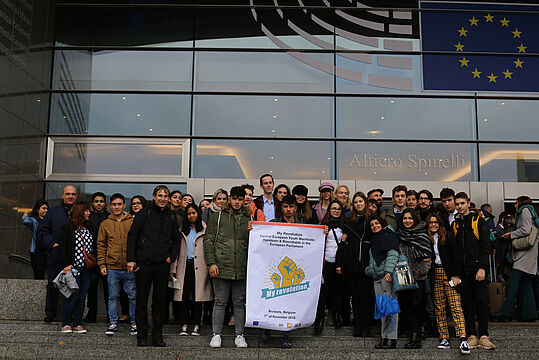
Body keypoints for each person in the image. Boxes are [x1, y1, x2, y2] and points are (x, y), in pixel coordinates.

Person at [127, 185, 180, 347]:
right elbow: (132, 235)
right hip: (144, 264)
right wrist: (131, 259)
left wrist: (171, 257)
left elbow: (176, 240)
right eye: (160, 195)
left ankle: (157, 336)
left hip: (162, 265)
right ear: (154, 197)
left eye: (166, 196)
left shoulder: (172, 216)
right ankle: (141, 336)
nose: (163, 198)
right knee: (141, 301)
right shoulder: (144, 213)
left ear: (169, 198)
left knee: (160, 302)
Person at [205, 186, 251, 348]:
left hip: (242, 268)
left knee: (239, 303)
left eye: (240, 199)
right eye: (235, 198)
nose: (237, 202)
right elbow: (208, 241)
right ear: (230, 199)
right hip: (221, 266)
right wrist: (211, 263)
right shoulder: (217, 217)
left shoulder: (248, 219)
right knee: (220, 302)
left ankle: (240, 335)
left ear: (243, 200)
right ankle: (216, 334)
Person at [452, 192, 495, 350]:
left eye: (462, 203)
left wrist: (482, 267)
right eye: (457, 204)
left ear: (468, 203)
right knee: (467, 304)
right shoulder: (455, 224)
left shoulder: (478, 220)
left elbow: (486, 246)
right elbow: (456, 252)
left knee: (482, 302)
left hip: (478, 270)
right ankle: (472, 335)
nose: (459, 207)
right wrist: (455, 274)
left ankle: (483, 335)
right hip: (463, 273)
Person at [426, 213, 469, 354]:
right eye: (431, 222)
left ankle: (463, 338)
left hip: (449, 274)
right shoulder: (428, 238)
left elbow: (456, 257)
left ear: (440, 224)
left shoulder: (448, 236)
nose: (433, 225)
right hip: (435, 274)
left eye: (436, 222)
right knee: (439, 307)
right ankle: (444, 337)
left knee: (455, 305)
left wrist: (456, 275)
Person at [264, 194, 301, 348]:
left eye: (291, 206)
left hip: (290, 268)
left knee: (289, 302)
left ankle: (286, 335)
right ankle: (266, 328)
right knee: (271, 299)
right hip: (274, 265)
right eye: (285, 206)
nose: (288, 210)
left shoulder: (302, 225)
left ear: (295, 208)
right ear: (281, 208)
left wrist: (322, 232)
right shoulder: (273, 223)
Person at [97, 193, 137, 336]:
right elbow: (101, 245)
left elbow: (137, 243)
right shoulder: (105, 224)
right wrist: (102, 264)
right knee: (112, 296)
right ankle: (113, 323)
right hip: (112, 267)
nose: (117, 207)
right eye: (114, 204)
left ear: (124, 205)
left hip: (129, 267)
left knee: (133, 296)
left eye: (119, 204)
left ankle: (134, 323)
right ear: (110, 206)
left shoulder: (132, 221)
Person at [171, 203, 212, 337]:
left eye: (194, 213)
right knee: (183, 297)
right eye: (189, 213)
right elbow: (176, 251)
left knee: (197, 297)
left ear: (198, 214)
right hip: (184, 266)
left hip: (199, 267)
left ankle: (196, 324)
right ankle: (184, 324)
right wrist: (173, 268)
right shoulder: (182, 230)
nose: (191, 216)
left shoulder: (205, 229)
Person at [38, 185, 78, 322]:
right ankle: (50, 313)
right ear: (62, 195)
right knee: (52, 285)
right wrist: (52, 244)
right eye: (68, 194)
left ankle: (72, 316)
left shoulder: (79, 212)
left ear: (76, 196)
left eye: (73, 194)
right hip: (55, 254)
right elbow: (42, 231)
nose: (70, 196)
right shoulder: (53, 212)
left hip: (74, 257)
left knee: (73, 286)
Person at [496, 196, 539, 322]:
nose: (515, 205)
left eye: (516, 203)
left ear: (521, 203)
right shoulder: (532, 211)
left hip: (524, 255)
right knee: (526, 286)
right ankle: (529, 315)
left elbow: (526, 229)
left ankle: (505, 314)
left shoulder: (525, 210)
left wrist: (511, 235)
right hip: (530, 255)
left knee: (512, 285)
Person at [336, 192, 372, 337]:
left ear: (365, 203)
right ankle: (357, 325)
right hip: (351, 266)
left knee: (365, 297)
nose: (358, 204)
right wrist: (340, 263)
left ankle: (366, 326)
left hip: (366, 265)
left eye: (360, 201)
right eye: (356, 202)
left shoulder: (371, 221)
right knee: (355, 298)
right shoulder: (348, 224)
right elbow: (343, 245)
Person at [396, 209, 432, 349]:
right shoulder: (399, 235)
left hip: (418, 277)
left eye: (410, 218)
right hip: (403, 277)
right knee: (407, 306)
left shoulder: (422, 235)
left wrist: (417, 272)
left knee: (417, 304)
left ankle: (422, 328)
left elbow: (427, 259)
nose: (407, 221)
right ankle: (414, 335)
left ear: (415, 220)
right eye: (405, 218)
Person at [59, 202, 94, 334]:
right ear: (80, 212)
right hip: (73, 269)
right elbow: (62, 247)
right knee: (72, 295)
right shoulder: (68, 228)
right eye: (86, 211)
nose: (89, 213)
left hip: (86, 269)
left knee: (82, 296)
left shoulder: (89, 228)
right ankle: (66, 323)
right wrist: (66, 265)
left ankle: (78, 323)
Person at [365, 216, 400, 349]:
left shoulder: (388, 236)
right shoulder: (374, 239)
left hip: (386, 276)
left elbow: (393, 255)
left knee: (390, 308)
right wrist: (369, 270)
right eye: (372, 224)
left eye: (376, 223)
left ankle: (392, 338)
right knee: (382, 308)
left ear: (382, 224)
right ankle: (384, 337)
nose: (374, 226)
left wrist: (388, 272)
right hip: (377, 277)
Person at [315, 199, 346, 334]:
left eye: (338, 209)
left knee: (338, 291)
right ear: (329, 211)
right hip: (326, 262)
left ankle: (337, 315)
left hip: (339, 263)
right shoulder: (324, 226)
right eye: (333, 209)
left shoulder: (346, 226)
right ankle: (319, 320)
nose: (336, 211)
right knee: (323, 293)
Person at [85, 192, 110, 323]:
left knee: (109, 289)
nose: (99, 203)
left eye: (101, 201)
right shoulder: (88, 218)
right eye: (96, 201)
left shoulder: (109, 217)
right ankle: (91, 314)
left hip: (108, 259)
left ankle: (110, 315)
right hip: (92, 258)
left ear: (105, 203)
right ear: (92, 203)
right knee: (92, 288)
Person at [22, 199, 49, 279]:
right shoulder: (34, 220)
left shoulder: (49, 220)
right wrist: (25, 215)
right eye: (43, 208)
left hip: (48, 250)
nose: (46, 210)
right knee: (38, 274)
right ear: (37, 210)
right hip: (37, 251)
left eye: (47, 208)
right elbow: (26, 222)